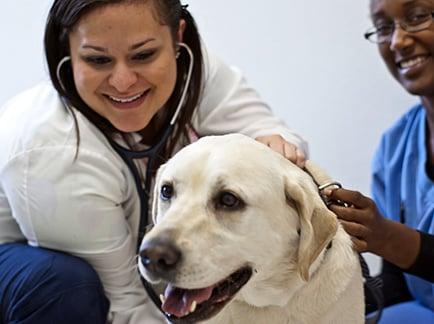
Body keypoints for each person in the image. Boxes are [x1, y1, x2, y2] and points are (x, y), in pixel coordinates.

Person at [0, 1, 308, 323]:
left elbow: (273, 138)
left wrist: (276, 152)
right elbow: (126, 304)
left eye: (143, 55)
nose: (123, 81)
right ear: (68, 50)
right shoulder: (50, 150)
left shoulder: (193, 70)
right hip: (23, 263)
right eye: (97, 59)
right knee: (62, 285)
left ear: (178, 38)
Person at [325, 0, 434, 323]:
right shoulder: (396, 146)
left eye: (417, 17)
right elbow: (400, 286)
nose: (398, 41)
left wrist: (387, 236)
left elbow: (395, 245)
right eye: (384, 27)